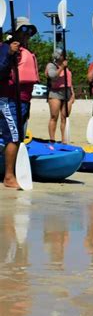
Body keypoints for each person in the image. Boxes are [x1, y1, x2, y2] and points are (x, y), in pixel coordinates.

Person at [0, 17, 39, 188]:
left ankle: (13, 169)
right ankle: (9, 177)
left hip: (24, 100)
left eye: (29, 31)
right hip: (8, 99)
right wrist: (9, 55)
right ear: (15, 32)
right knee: (13, 136)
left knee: (18, 137)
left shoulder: (26, 51)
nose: (27, 34)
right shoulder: (6, 48)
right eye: (24, 30)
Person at [45, 48, 75, 143]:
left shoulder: (67, 67)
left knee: (64, 117)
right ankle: (52, 139)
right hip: (55, 93)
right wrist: (62, 67)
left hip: (67, 93)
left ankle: (64, 140)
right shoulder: (51, 65)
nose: (65, 56)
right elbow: (53, 76)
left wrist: (72, 93)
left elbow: (69, 81)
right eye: (63, 55)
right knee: (54, 116)